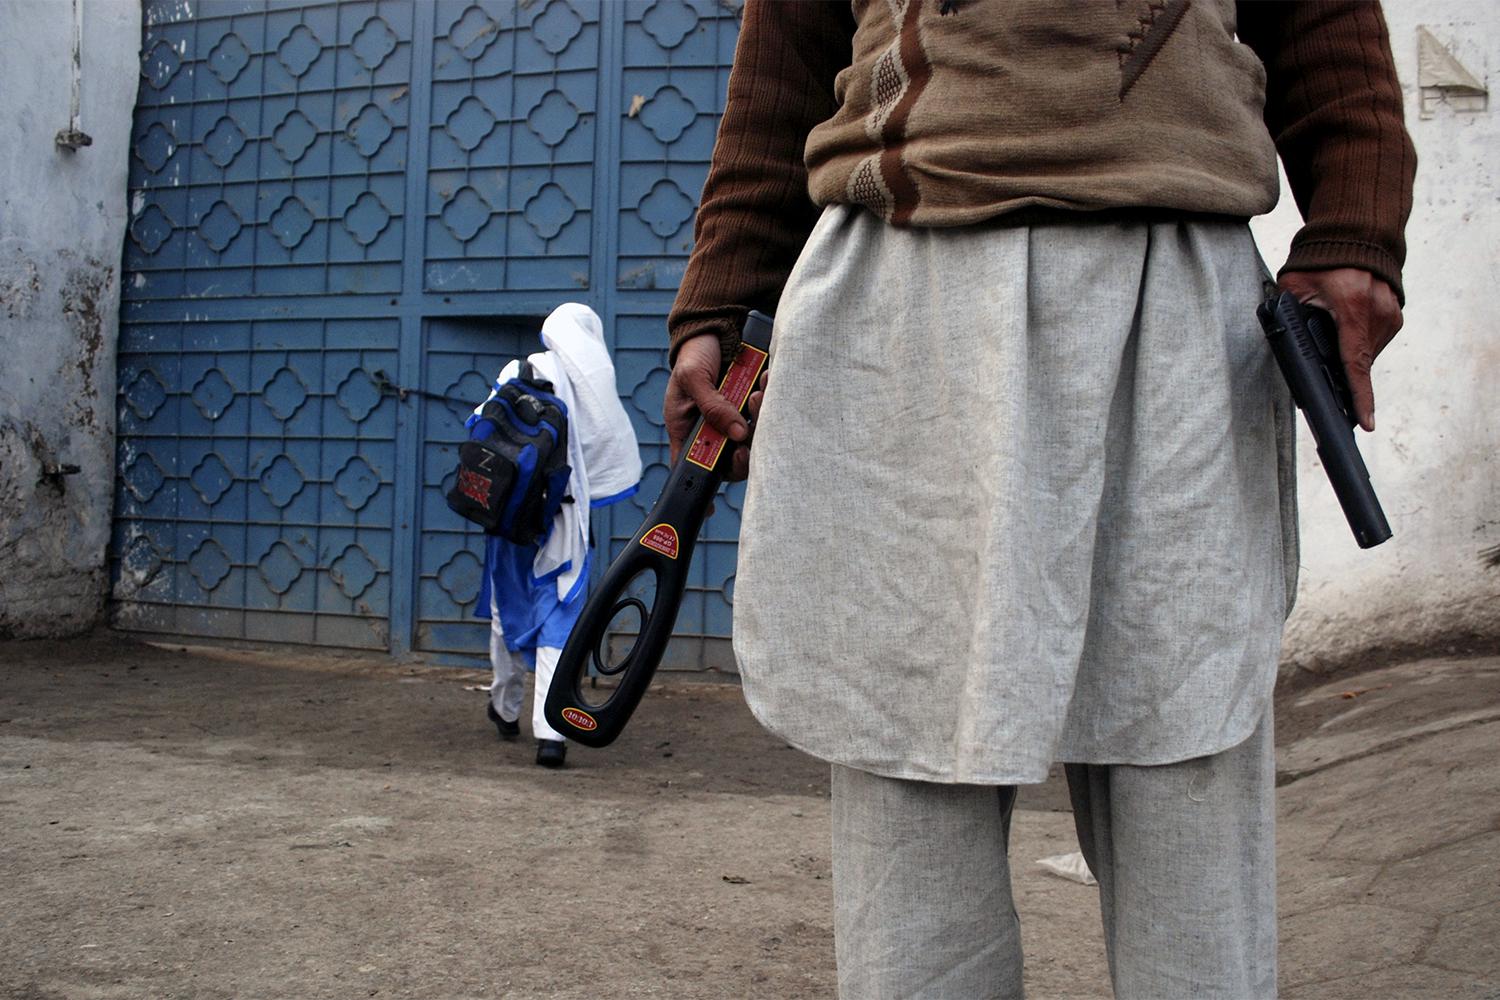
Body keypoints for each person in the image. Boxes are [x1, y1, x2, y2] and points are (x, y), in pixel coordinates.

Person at [664, 2, 1414, 996]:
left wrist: (1357, 222)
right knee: (909, 767)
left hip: (1172, 296)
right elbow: (783, 64)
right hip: (905, 297)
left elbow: (1327, 23)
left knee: (1184, 764)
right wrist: (722, 295)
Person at [475, 303, 641, 769]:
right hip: (561, 524)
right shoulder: (591, 389)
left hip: (507, 518)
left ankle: (504, 708)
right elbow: (606, 451)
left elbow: (480, 427)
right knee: (559, 619)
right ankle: (551, 736)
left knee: (504, 607)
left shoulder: (517, 369)